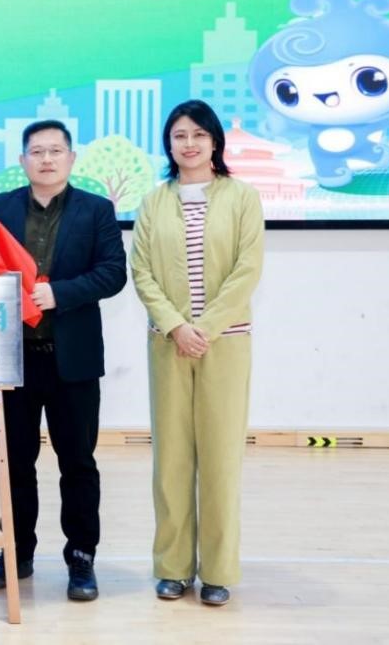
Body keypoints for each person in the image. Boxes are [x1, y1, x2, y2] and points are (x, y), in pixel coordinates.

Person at [0, 119, 127, 601]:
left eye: (55, 151)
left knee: (78, 463)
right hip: (13, 361)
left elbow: (112, 273)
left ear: (71, 159)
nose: (46, 159)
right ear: (22, 160)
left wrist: (58, 293)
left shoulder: (96, 210)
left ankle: (81, 558)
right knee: (15, 463)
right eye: (37, 151)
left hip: (73, 361)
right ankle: (15, 551)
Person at [129, 99, 264, 607]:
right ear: (169, 144)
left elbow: (248, 269)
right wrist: (176, 326)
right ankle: (173, 568)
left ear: (214, 142)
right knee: (171, 459)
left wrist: (203, 328)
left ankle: (219, 571)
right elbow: (142, 271)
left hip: (225, 343)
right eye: (179, 136)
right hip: (169, 343)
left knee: (221, 459)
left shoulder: (242, 197)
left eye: (198, 135)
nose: (189, 144)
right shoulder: (153, 202)